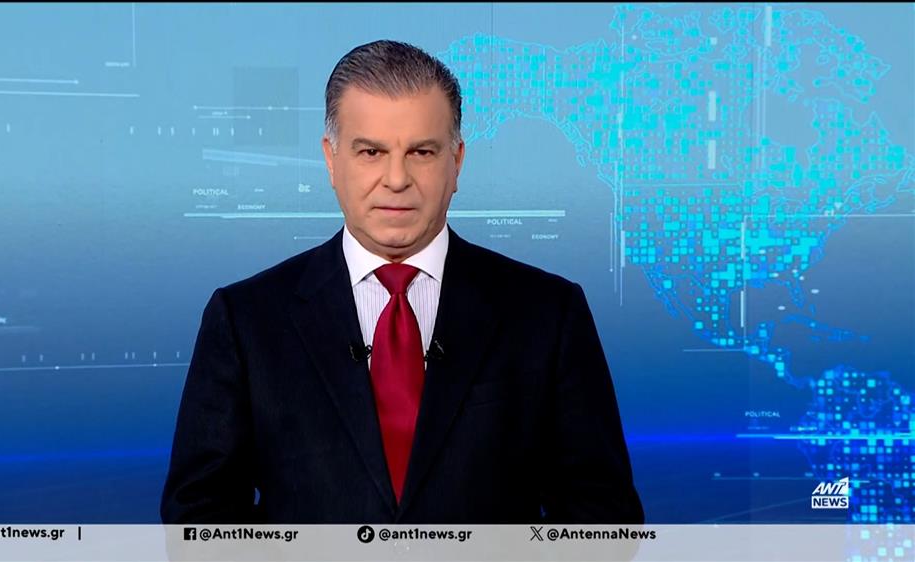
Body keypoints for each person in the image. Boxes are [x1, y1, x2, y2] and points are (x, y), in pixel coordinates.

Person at [160, 39, 643, 524]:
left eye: (421, 152)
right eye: (371, 151)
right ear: (331, 160)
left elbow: (603, 519)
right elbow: (198, 520)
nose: (396, 179)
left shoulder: (549, 314)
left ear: (456, 162)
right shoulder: (245, 321)